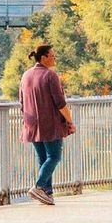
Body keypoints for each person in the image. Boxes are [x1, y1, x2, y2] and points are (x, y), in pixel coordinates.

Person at [19, 42, 74, 205]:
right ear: (43, 57)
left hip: (31, 123)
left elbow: (21, 102)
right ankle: (39, 186)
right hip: (50, 123)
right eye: (52, 55)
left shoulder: (26, 75)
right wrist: (70, 121)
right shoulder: (51, 75)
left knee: (43, 157)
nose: (54, 58)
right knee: (55, 156)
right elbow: (60, 103)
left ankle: (47, 193)